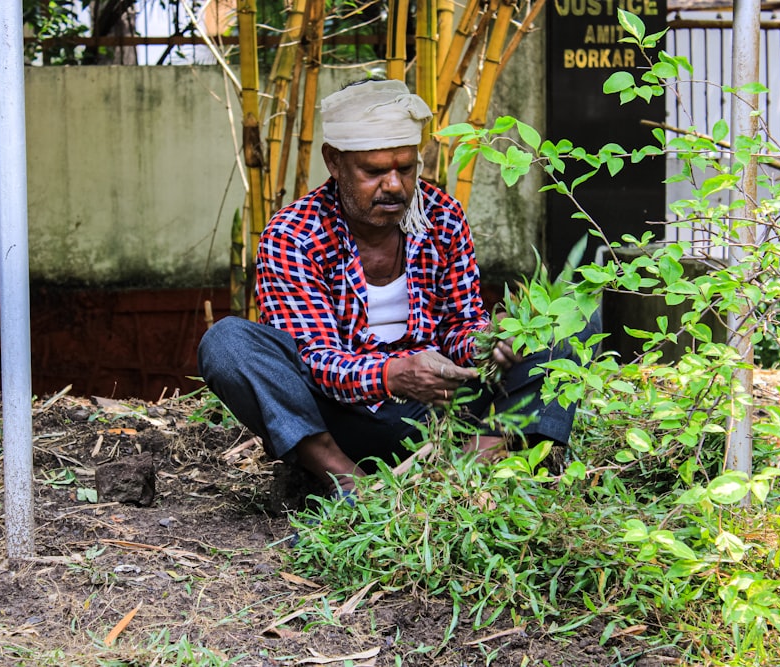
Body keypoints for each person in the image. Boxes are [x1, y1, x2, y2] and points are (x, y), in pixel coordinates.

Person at [198, 79, 599, 496]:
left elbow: (460, 324)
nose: (394, 185)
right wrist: (393, 375)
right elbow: (314, 360)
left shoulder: (442, 215)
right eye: (373, 171)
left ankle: (466, 469)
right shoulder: (293, 234)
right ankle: (347, 483)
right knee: (227, 343)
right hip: (343, 420)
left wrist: (490, 342)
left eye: (405, 169)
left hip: (443, 409)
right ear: (334, 162)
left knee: (572, 313)